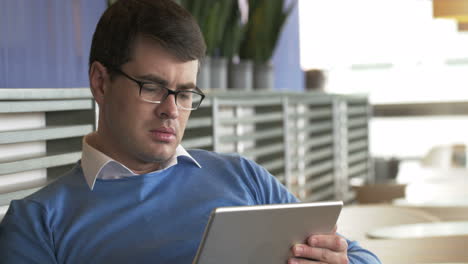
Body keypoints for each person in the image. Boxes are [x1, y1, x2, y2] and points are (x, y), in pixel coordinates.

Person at [0, 0, 381, 263]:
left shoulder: (244, 177)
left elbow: (360, 256)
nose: (171, 110)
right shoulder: (37, 223)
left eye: (185, 93)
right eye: (151, 87)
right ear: (101, 82)